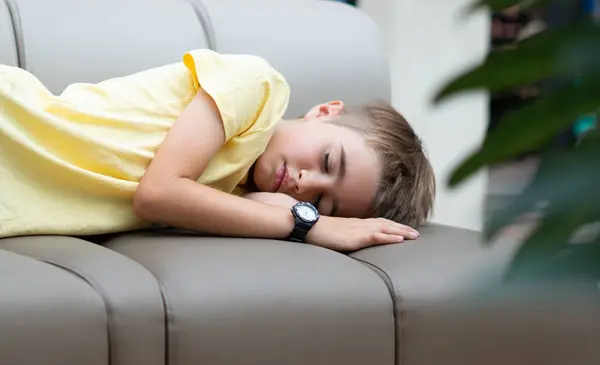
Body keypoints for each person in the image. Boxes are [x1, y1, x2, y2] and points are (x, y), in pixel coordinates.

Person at [0, 49, 435, 251]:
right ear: (323, 111)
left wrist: (285, 210)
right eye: (327, 161)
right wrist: (313, 226)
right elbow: (160, 193)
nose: (306, 184)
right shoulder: (257, 88)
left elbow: (254, 205)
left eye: (321, 202)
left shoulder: (241, 200)